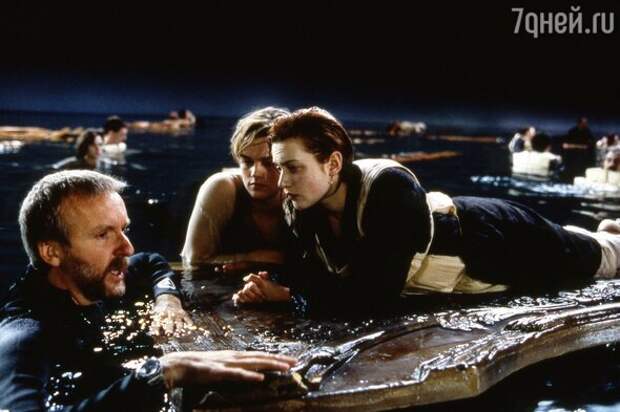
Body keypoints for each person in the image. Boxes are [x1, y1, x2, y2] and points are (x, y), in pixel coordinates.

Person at [232, 107, 620, 318]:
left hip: (500, 238)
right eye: (279, 168)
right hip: (462, 273)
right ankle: (601, 231)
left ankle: (608, 236)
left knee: (600, 259)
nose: (282, 181)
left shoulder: (388, 188)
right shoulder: (299, 207)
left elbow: (374, 300)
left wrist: (288, 295)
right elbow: (311, 274)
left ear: (333, 164)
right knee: (585, 243)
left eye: (293, 168)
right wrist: (268, 284)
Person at [0, 170, 296, 411]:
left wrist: (167, 300)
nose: (127, 247)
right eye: (103, 235)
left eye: (124, 229)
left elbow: (150, 261)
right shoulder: (23, 336)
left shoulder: (89, 279)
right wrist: (159, 373)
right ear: (52, 252)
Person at [181, 107, 290, 272]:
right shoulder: (222, 188)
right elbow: (192, 260)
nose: (255, 173)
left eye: (268, 163)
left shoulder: (301, 194)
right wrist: (253, 258)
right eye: (247, 162)